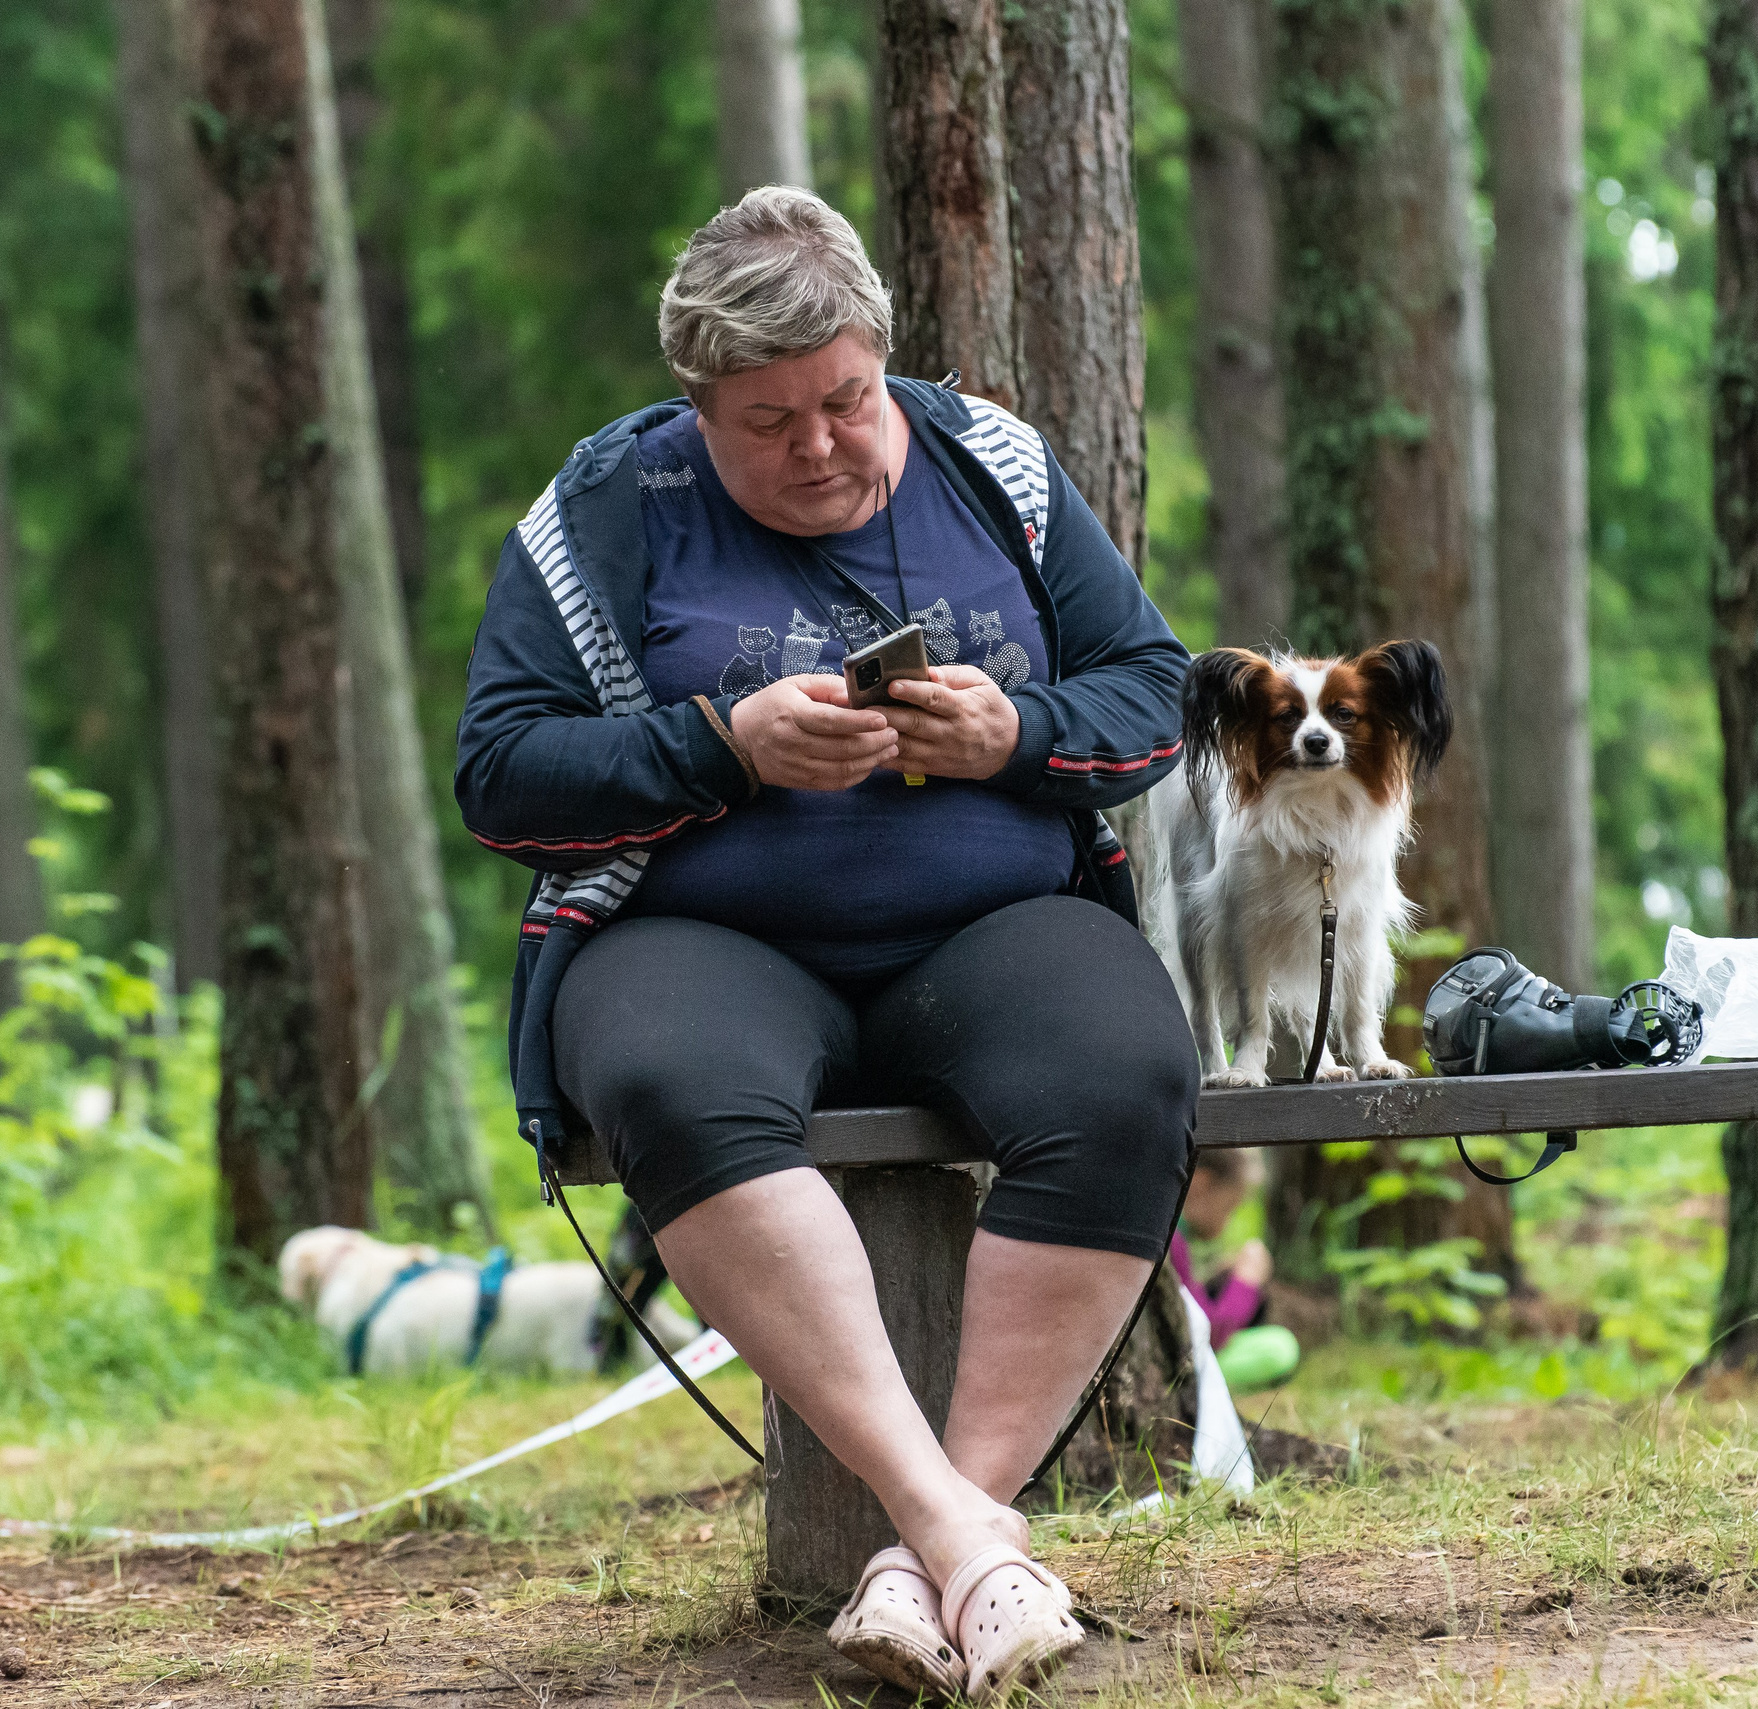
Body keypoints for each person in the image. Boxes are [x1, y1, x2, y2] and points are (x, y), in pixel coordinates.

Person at [454, 186, 1197, 1704]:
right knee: (669, 1080)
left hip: (994, 923)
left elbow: (1151, 688)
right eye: (765, 420)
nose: (817, 447)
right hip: (698, 935)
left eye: (846, 401)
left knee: (1124, 1074)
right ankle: (963, 1539)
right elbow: (500, 770)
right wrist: (718, 747)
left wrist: (1013, 729)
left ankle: (932, 1546)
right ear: (697, 414)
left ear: (883, 360)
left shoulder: (996, 464)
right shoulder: (609, 506)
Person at [1170, 1149, 1302, 1394]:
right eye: (1229, 1207)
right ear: (1200, 1184)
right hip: (1178, 1368)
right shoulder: (1173, 1238)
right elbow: (1208, 1334)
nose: (1227, 1221)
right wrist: (1245, 1281)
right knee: (1280, 1347)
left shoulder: (1174, 1233)